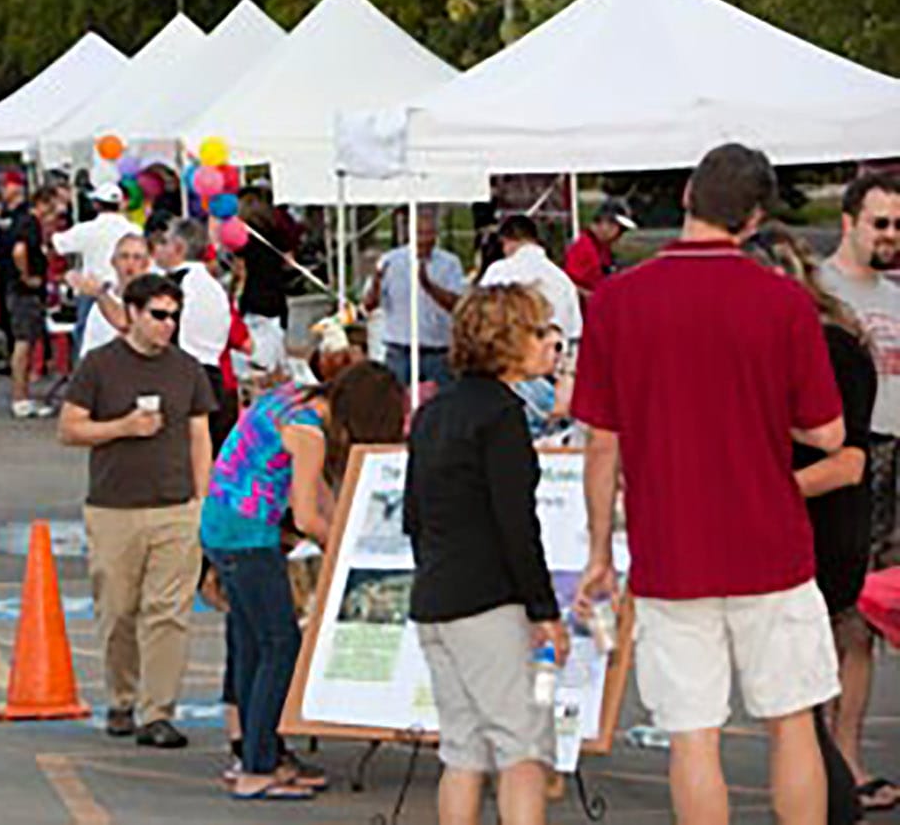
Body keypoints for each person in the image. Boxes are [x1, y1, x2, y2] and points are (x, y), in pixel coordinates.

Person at [573, 143, 845, 825]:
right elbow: (829, 434)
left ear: (688, 194)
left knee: (693, 737)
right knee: (792, 722)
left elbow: (602, 443)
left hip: (671, 551)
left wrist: (602, 551)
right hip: (770, 544)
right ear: (754, 220)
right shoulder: (782, 303)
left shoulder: (615, 301)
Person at [405, 284, 568, 825]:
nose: (553, 343)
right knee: (520, 749)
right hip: (486, 600)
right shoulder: (501, 417)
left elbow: (414, 516)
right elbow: (516, 524)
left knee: (463, 750)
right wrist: (544, 611)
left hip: (436, 596)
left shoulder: (433, 413)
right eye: (541, 331)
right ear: (508, 341)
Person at [205, 361, 405, 800]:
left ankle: (262, 754)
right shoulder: (311, 432)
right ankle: (258, 768)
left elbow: (319, 494)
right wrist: (345, 553)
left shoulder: (297, 398)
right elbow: (307, 515)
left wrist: (347, 529)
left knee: (255, 645)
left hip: (225, 526)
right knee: (281, 646)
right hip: (248, 536)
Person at [746, 225, 874, 823]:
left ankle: (828, 808)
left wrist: (759, 493)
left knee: (796, 709)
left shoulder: (829, 347)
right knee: (797, 707)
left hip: (816, 538)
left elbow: (846, 459)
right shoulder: (802, 342)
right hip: (798, 536)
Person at [58, 273, 216, 748]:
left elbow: (199, 435)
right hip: (114, 507)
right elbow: (69, 429)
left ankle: (158, 712)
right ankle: (123, 698)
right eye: (158, 315)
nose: (168, 325)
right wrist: (122, 427)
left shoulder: (187, 369)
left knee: (168, 613)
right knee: (119, 611)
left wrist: (201, 500)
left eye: (174, 316)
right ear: (132, 314)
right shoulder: (99, 366)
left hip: (175, 507)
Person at [817, 171, 900, 812]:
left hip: (896, 457)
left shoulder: (897, 295)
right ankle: (823, 761)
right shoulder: (819, 291)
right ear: (849, 221)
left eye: (898, 225)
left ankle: (848, 754)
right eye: (880, 223)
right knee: (839, 616)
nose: (891, 235)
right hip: (851, 457)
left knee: (874, 620)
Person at [362, 206, 466, 388]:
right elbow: (368, 306)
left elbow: (457, 305)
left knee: (441, 404)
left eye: (429, 233)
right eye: (419, 233)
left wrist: (428, 285)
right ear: (410, 234)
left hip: (437, 351)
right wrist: (377, 282)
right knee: (396, 402)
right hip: (399, 350)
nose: (424, 239)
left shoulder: (450, 263)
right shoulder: (390, 261)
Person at [153, 218, 234, 449]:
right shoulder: (215, 286)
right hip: (214, 376)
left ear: (178, 247)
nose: (161, 248)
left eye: (165, 242)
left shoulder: (173, 285)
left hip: (181, 375)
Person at [52, 181, 141, 347]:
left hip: (92, 290)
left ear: (96, 204)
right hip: (125, 288)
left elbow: (58, 245)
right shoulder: (135, 230)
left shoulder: (87, 229)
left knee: (86, 336)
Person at [480, 214, 583, 346]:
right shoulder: (562, 279)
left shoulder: (497, 272)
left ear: (506, 241)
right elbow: (574, 331)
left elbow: (480, 316)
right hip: (551, 355)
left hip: (508, 353)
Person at [8, 184, 64, 419]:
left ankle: (23, 395)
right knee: (24, 342)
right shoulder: (29, 224)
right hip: (25, 292)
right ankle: (19, 397)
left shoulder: (28, 223)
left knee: (29, 341)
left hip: (26, 291)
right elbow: (19, 251)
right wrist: (26, 275)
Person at [234, 190, 296, 374]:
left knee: (254, 358)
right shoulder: (278, 235)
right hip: (276, 297)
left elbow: (241, 273)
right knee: (275, 352)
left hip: (253, 297)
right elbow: (289, 263)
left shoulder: (243, 241)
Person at [72, 234, 151, 359]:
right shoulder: (99, 308)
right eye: (124, 257)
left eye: (137, 258)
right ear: (114, 262)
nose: (130, 263)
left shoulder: (155, 302)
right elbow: (88, 353)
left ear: (146, 263)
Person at [563, 199, 636, 307]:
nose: (618, 233)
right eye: (614, 225)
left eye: (622, 229)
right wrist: (590, 296)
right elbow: (566, 284)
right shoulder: (583, 247)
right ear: (601, 221)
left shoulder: (602, 247)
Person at [0, 171, 29, 356]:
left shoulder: (25, 214)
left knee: (19, 320)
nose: (2, 190)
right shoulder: (4, 212)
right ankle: (10, 355)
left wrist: (25, 273)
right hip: (3, 270)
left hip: (18, 273)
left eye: (5, 186)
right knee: (5, 316)